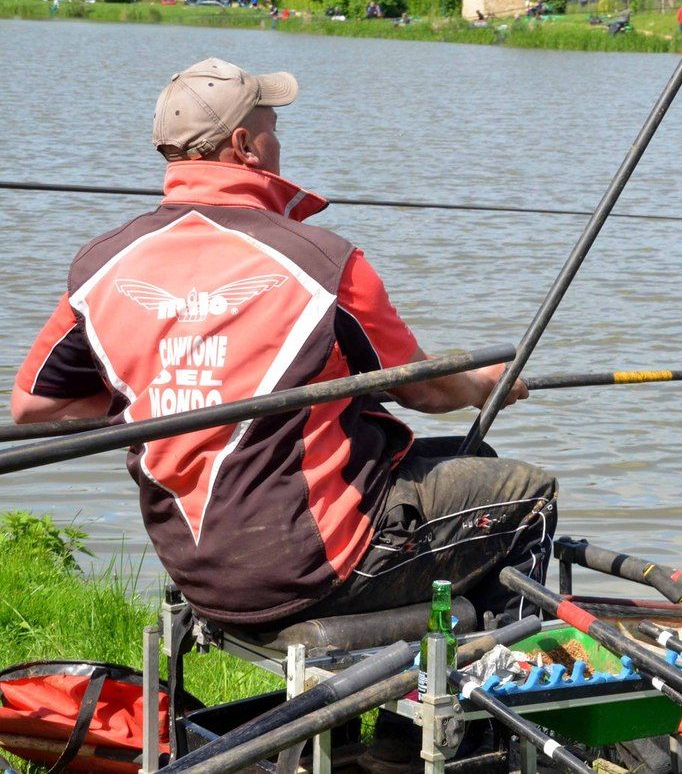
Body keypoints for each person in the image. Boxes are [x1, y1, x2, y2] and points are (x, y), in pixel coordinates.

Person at [10, 58, 558, 633]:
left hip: (201, 575)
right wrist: (480, 383)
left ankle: (444, 673)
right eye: (274, 127)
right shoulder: (320, 262)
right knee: (527, 493)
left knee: (474, 466)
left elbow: (33, 406)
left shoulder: (100, 266)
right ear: (245, 144)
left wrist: (168, 388)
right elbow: (422, 387)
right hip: (316, 568)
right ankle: (501, 693)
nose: (280, 142)